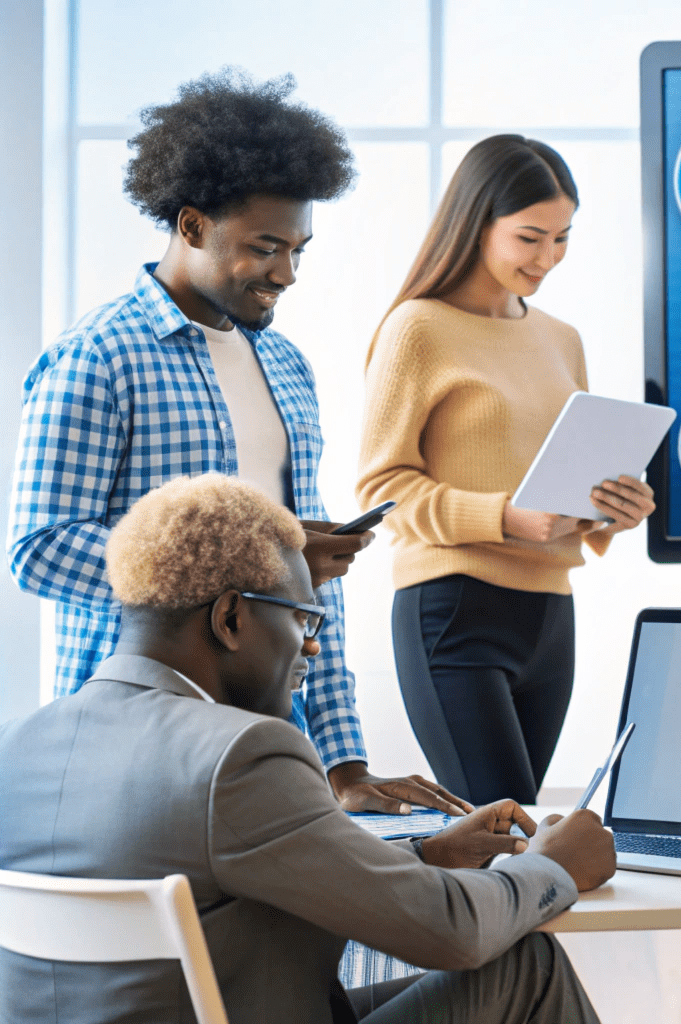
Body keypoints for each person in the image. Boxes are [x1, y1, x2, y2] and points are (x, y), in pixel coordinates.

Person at [6, 69, 462, 816]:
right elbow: (41, 549)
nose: (286, 273)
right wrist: (257, 562)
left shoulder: (285, 366)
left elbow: (315, 592)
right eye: (264, 247)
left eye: (298, 250)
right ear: (191, 226)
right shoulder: (99, 355)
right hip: (133, 750)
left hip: (270, 745)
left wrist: (344, 762)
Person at [0, 474, 617, 1023]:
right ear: (232, 619)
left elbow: (235, 873)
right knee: (526, 968)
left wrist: (426, 853)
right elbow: (450, 933)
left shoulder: (25, 742)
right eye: (303, 619)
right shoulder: (240, 754)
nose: (312, 649)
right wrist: (554, 865)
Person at [359, 135, 658, 806]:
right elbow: (382, 491)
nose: (548, 258)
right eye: (530, 237)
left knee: (524, 837)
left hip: (550, 615)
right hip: (455, 609)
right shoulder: (418, 328)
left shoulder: (561, 338)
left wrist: (615, 509)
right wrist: (506, 517)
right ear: (476, 222)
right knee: (506, 845)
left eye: (562, 238)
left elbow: (564, 484)